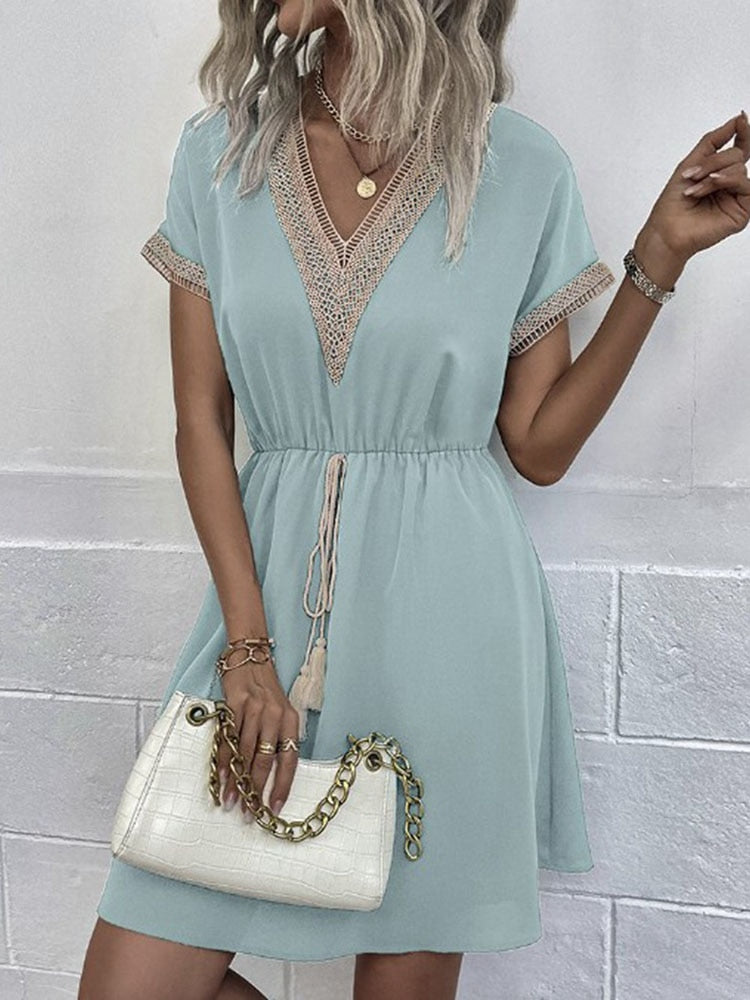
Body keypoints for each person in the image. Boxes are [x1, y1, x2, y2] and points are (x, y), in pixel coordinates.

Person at [78, 0, 750, 997]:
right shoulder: (221, 156)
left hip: (452, 632)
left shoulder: (520, 167)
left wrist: (657, 256)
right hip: (264, 617)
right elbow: (201, 423)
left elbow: (539, 446)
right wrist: (247, 649)